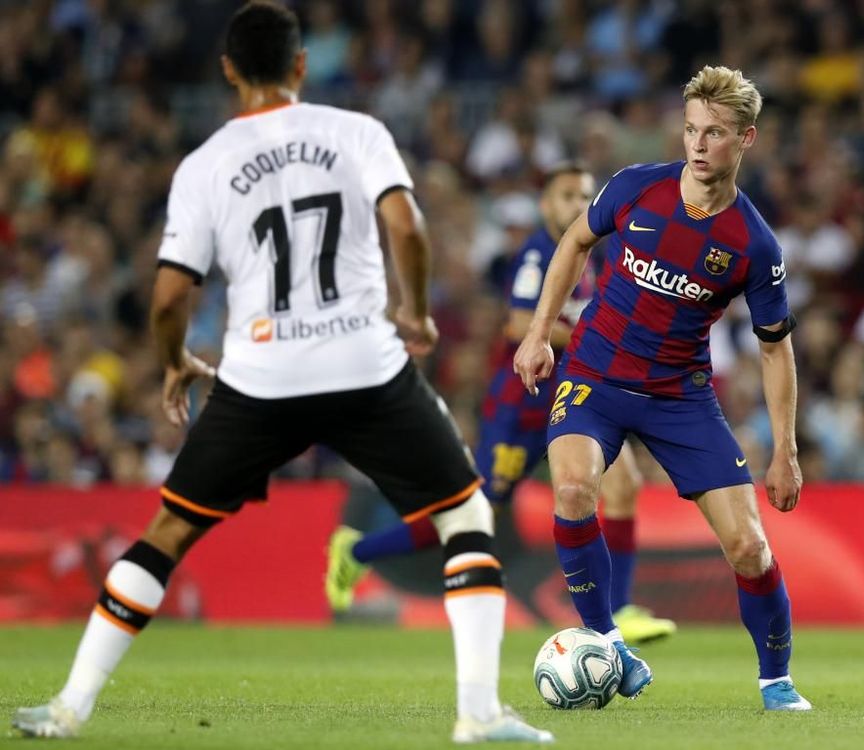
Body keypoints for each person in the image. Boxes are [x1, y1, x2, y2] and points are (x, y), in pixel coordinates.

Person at [11, 3, 551, 744]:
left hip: (261, 377)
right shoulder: (357, 133)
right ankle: (479, 714)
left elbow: (170, 294)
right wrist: (416, 312)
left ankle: (69, 708)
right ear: (301, 66)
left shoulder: (204, 166)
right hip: (366, 366)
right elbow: (407, 226)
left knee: (167, 532)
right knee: (465, 517)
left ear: (229, 71)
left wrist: (174, 362)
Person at [513, 65, 811, 711]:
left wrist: (784, 449)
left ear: (746, 139)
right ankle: (608, 642)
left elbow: (774, 347)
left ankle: (777, 683)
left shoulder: (753, 244)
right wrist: (540, 333)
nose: (698, 144)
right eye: (691, 129)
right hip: (595, 372)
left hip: (680, 395)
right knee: (572, 487)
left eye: (716, 133)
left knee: (750, 547)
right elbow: (573, 243)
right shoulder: (636, 188)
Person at [324, 164, 676, 644]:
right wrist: (599, 339)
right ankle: (358, 550)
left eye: (586, 196)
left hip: (577, 398)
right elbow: (518, 325)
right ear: (545, 206)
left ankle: (621, 609)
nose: (579, 204)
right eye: (567, 195)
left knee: (624, 484)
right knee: (476, 512)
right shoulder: (537, 254)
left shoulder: (595, 253)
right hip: (523, 407)